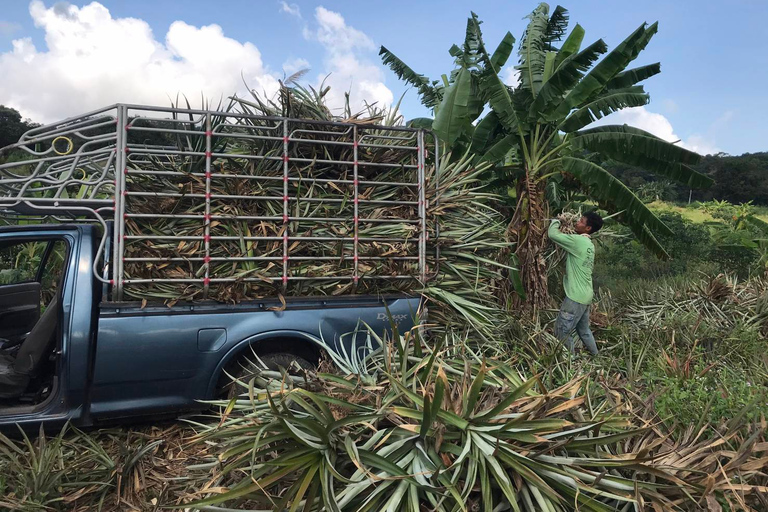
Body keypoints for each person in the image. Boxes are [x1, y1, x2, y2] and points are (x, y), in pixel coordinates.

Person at [548, 211, 603, 356]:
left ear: (588, 228)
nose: (577, 222)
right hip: (586, 295)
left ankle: (569, 365)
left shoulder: (578, 241)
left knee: (562, 331)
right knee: (584, 331)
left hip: (575, 297)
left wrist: (556, 221)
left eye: (581, 221)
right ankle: (597, 357)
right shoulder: (589, 245)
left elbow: (552, 235)